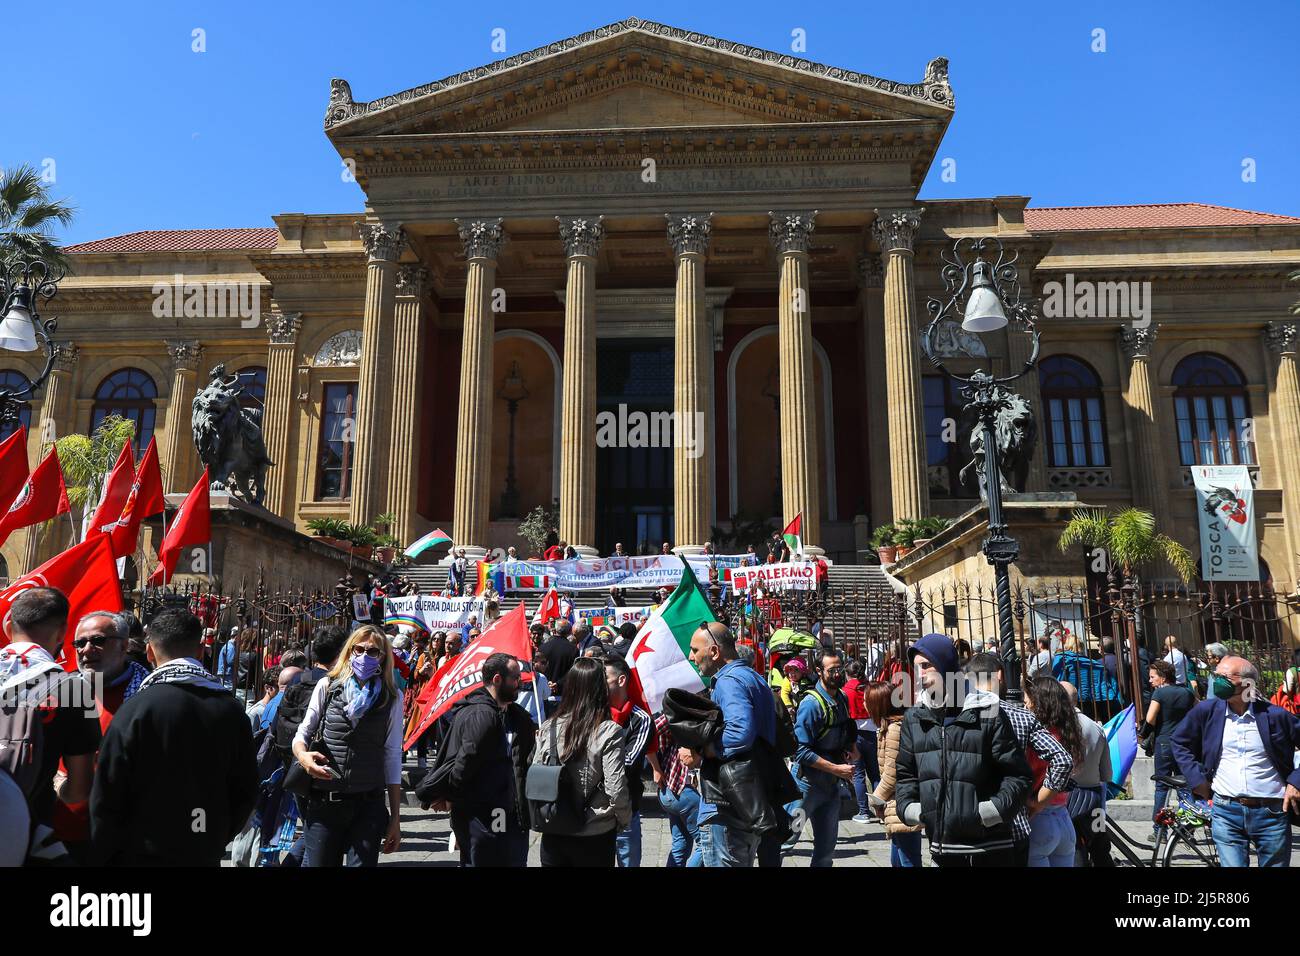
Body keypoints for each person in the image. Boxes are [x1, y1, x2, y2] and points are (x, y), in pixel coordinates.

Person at [89, 609, 258, 865]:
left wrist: (105, 851)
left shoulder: (136, 709)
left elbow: (107, 790)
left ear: (149, 652)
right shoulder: (232, 710)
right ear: (201, 651)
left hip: (142, 852)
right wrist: (215, 836)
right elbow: (245, 788)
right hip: (202, 850)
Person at [895, 634, 1032, 867]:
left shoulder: (986, 711)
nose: (919, 674)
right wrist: (915, 810)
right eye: (916, 667)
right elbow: (906, 775)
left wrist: (990, 812)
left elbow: (1018, 775)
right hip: (942, 846)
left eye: (926, 666)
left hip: (989, 846)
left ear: (946, 665)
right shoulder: (915, 718)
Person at [679, 622, 794, 867]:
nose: (691, 657)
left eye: (695, 650)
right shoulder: (753, 678)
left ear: (714, 651)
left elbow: (740, 731)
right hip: (746, 797)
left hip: (728, 805)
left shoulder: (729, 680)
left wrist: (706, 750)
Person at [1171, 654, 1300, 867]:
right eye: (1216, 675)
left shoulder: (1275, 715)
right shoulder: (1207, 711)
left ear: (1247, 683)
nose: (1217, 680)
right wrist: (1197, 779)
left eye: (1225, 676)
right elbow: (1179, 741)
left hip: (1271, 812)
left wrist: (1296, 782)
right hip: (1225, 810)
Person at [0, 588, 99, 864]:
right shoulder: (73, 689)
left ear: (8, 626)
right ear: (62, 633)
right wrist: (56, 788)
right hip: (28, 838)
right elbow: (80, 789)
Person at [291, 625, 404, 867]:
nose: (364, 656)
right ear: (349, 652)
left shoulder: (391, 697)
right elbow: (303, 732)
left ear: (383, 656)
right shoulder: (328, 687)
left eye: (373, 652)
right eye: (359, 649)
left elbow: (393, 755)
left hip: (368, 805)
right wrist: (304, 757)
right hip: (325, 802)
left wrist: (395, 817)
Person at [426, 652, 536, 867]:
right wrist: (454, 801)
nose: (520, 683)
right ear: (497, 679)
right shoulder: (477, 714)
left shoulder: (520, 718)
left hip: (512, 815)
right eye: (515, 678)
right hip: (488, 813)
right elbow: (462, 761)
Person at [964, 651, 1073, 866]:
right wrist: (1039, 802)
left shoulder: (956, 717)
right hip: (1012, 822)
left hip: (968, 825)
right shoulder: (1021, 716)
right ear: (1000, 675)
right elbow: (1063, 759)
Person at [532, 657, 631, 866]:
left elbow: (537, 777)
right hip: (595, 830)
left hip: (555, 826)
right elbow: (616, 786)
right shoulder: (609, 731)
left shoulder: (550, 726)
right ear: (600, 690)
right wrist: (623, 819)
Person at [787, 647, 856, 867]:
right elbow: (801, 751)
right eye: (832, 670)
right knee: (787, 839)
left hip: (830, 789)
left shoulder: (842, 698)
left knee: (826, 849)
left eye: (840, 668)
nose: (838, 674)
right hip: (806, 790)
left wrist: (851, 748)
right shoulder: (811, 704)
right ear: (818, 671)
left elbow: (846, 729)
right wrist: (836, 769)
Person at [1021, 675, 1084, 867]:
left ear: (1038, 703)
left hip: (1039, 818)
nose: (1025, 707)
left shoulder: (1038, 738)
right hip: (1064, 817)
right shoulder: (1068, 733)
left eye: (1027, 702)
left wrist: (1036, 803)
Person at [864, 680, 925, 866]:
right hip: (895, 803)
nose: (864, 704)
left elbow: (892, 774)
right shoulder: (888, 727)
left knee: (908, 859)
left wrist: (876, 799)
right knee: (898, 859)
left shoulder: (894, 730)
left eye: (867, 700)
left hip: (902, 801)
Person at [604, 654, 657, 867]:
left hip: (626, 812)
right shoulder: (595, 713)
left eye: (604, 678)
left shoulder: (640, 719)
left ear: (621, 680)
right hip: (595, 815)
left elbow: (628, 762)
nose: (599, 685)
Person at [1059, 680, 1113, 867]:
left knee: (1074, 848)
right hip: (1095, 799)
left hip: (1068, 798)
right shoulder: (1096, 727)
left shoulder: (1058, 727)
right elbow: (1107, 774)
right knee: (1100, 846)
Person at [1144, 659, 1198, 821]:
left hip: (1165, 742)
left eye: (1153, 677)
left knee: (1162, 786)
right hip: (1185, 743)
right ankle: (1188, 827)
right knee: (1185, 786)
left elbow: (1150, 718)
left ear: (1163, 678)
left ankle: (1159, 829)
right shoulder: (1187, 692)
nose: (1150, 680)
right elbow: (1199, 709)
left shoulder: (1159, 693)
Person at [653, 711, 702, 866]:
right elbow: (650, 732)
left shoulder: (683, 715)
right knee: (707, 843)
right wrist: (655, 768)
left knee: (681, 845)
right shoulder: (680, 714)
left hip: (672, 791)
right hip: (680, 790)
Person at [843, 659, 879, 823]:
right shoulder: (870, 687)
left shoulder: (845, 691)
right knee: (874, 773)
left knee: (858, 774)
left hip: (854, 734)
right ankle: (882, 811)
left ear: (847, 674)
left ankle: (864, 811)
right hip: (871, 732)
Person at [539, 620, 579, 691]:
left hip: (544, 690)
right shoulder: (573, 650)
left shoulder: (542, 648)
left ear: (556, 629)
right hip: (564, 692)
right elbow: (574, 672)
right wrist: (558, 684)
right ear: (569, 631)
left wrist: (550, 683)